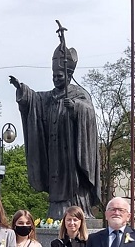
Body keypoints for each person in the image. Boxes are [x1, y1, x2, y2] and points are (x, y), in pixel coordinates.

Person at [10, 36, 100, 219]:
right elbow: (36, 100)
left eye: (59, 76)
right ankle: (56, 212)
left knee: (73, 184)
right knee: (56, 180)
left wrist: (76, 108)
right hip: (55, 153)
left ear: (68, 75)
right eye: (54, 76)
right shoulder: (50, 97)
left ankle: (77, 210)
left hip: (72, 155)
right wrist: (22, 90)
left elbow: (89, 113)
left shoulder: (79, 94)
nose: (56, 79)